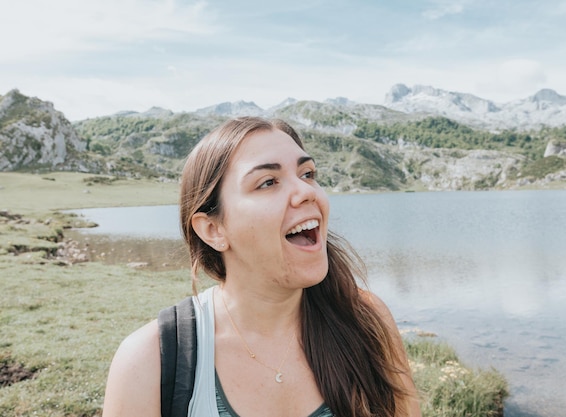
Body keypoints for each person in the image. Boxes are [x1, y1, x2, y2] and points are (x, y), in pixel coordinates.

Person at [102, 116, 421, 417]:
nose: (306, 192)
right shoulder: (147, 361)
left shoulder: (365, 319)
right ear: (214, 230)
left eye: (307, 174)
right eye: (268, 182)